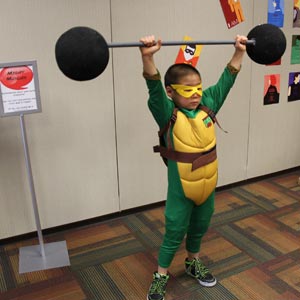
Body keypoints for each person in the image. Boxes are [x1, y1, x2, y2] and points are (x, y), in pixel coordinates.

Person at [139, 34, 247, 300]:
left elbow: (226, 81)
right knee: (175, 230)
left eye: (198, 88)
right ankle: (161, 274)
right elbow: (153, 86)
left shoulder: (207, 105)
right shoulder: (166, 111)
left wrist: (238, 52)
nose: (196, 95)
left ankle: (192, 261)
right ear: (171, 91)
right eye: (187, 90)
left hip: (208, 184)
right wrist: (147, 57)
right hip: (181, 189)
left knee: (200, 226)